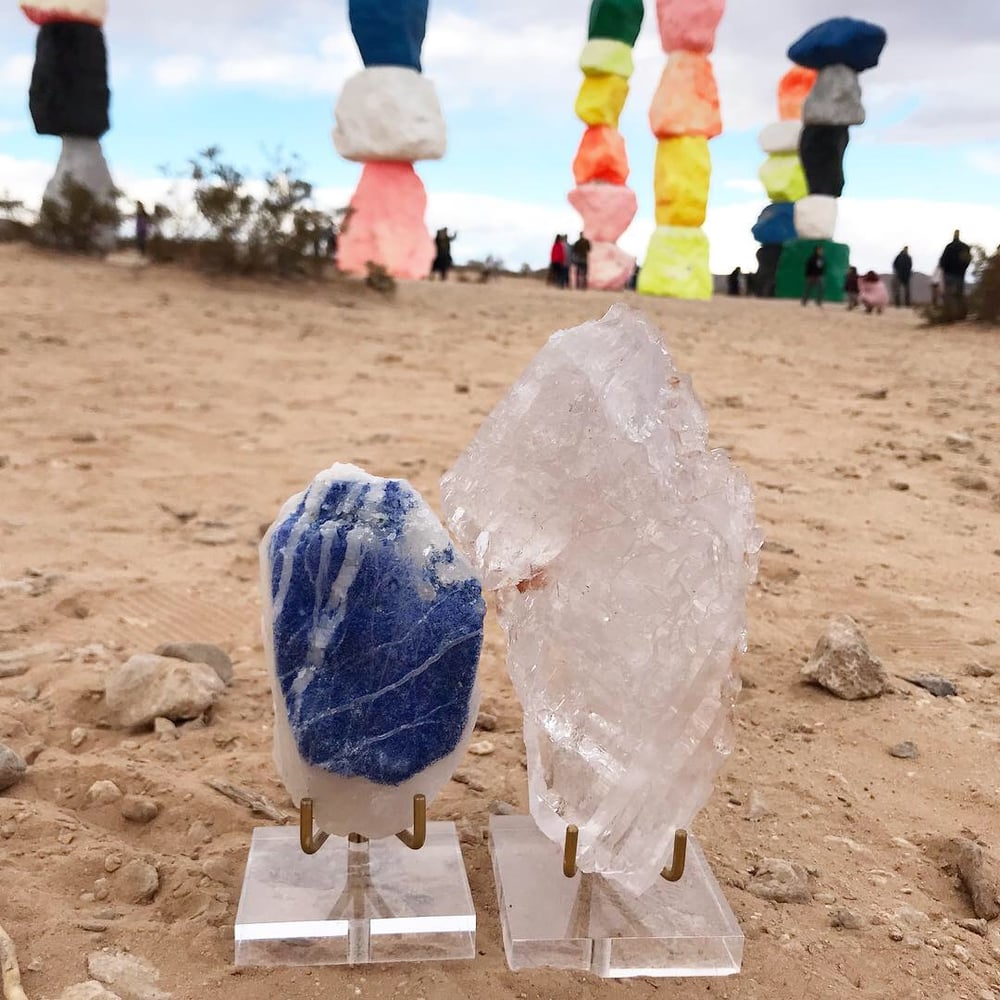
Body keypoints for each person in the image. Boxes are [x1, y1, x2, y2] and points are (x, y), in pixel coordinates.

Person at [938, 229, 971, 303]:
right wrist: (963, 269)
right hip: (960, 275)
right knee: (959, 295)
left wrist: (944, 270)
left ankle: (948, 311)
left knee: (948, 294)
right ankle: (959, 312)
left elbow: (943, 261)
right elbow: (968, 260)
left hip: (948, 274)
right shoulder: (964, 247)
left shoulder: (949, 247)